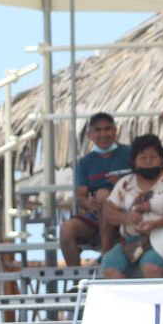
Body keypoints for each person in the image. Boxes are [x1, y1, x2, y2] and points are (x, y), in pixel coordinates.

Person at [101, 134, 163, 279]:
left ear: (161, 158)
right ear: (134, 161)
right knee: (109, 265)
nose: (148, 162)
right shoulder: (125, 182)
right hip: (130, 241)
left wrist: (155, 224)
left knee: (151, 266)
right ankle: (127, 301)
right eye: (143, 158)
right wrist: (126, 217)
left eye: (153, 157)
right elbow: (108, 210)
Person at [59, 113, 131, 265]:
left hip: (128, 212)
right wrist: (88, 203)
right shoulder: (85, 162)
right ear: (89, 134)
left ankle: (106, 256)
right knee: (66, 230)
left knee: (103, 194)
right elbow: (80, 197)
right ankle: (76, 281)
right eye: (98, 130)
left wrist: (123, 182)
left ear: (115, 130)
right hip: (96, 217)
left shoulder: (130, 153)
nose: (103, 134)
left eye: (107, 129)